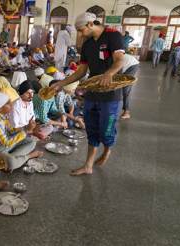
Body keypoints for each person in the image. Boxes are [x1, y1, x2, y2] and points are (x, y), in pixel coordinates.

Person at [50, 12, 125, 176]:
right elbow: (82, 71)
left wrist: (109, 74)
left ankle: (107, 150)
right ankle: (88, 165)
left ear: (91, 24)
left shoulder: (113, 36)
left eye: (81, 29)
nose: (80, 33)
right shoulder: (87, 44)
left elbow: (120, 60)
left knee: (106, 129)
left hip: (110, 93)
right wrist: (60, 84)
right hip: (93, 91)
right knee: (91, 128)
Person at [0, 91, 43, 171]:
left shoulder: (3, 114)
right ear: (0, 107)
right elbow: (6, 142)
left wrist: (26, 127)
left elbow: (11, 131)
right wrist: (26, 131)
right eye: (8, 104)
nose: (11, 105)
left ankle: (6, 160)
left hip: (1, 146)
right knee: (12, 162)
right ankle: (28, 156)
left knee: (31, 142)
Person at [120, 54, 140, 120]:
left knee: (126, 89)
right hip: (127, 64)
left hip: (131, 65)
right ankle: (124, 109)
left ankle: (126, 112)